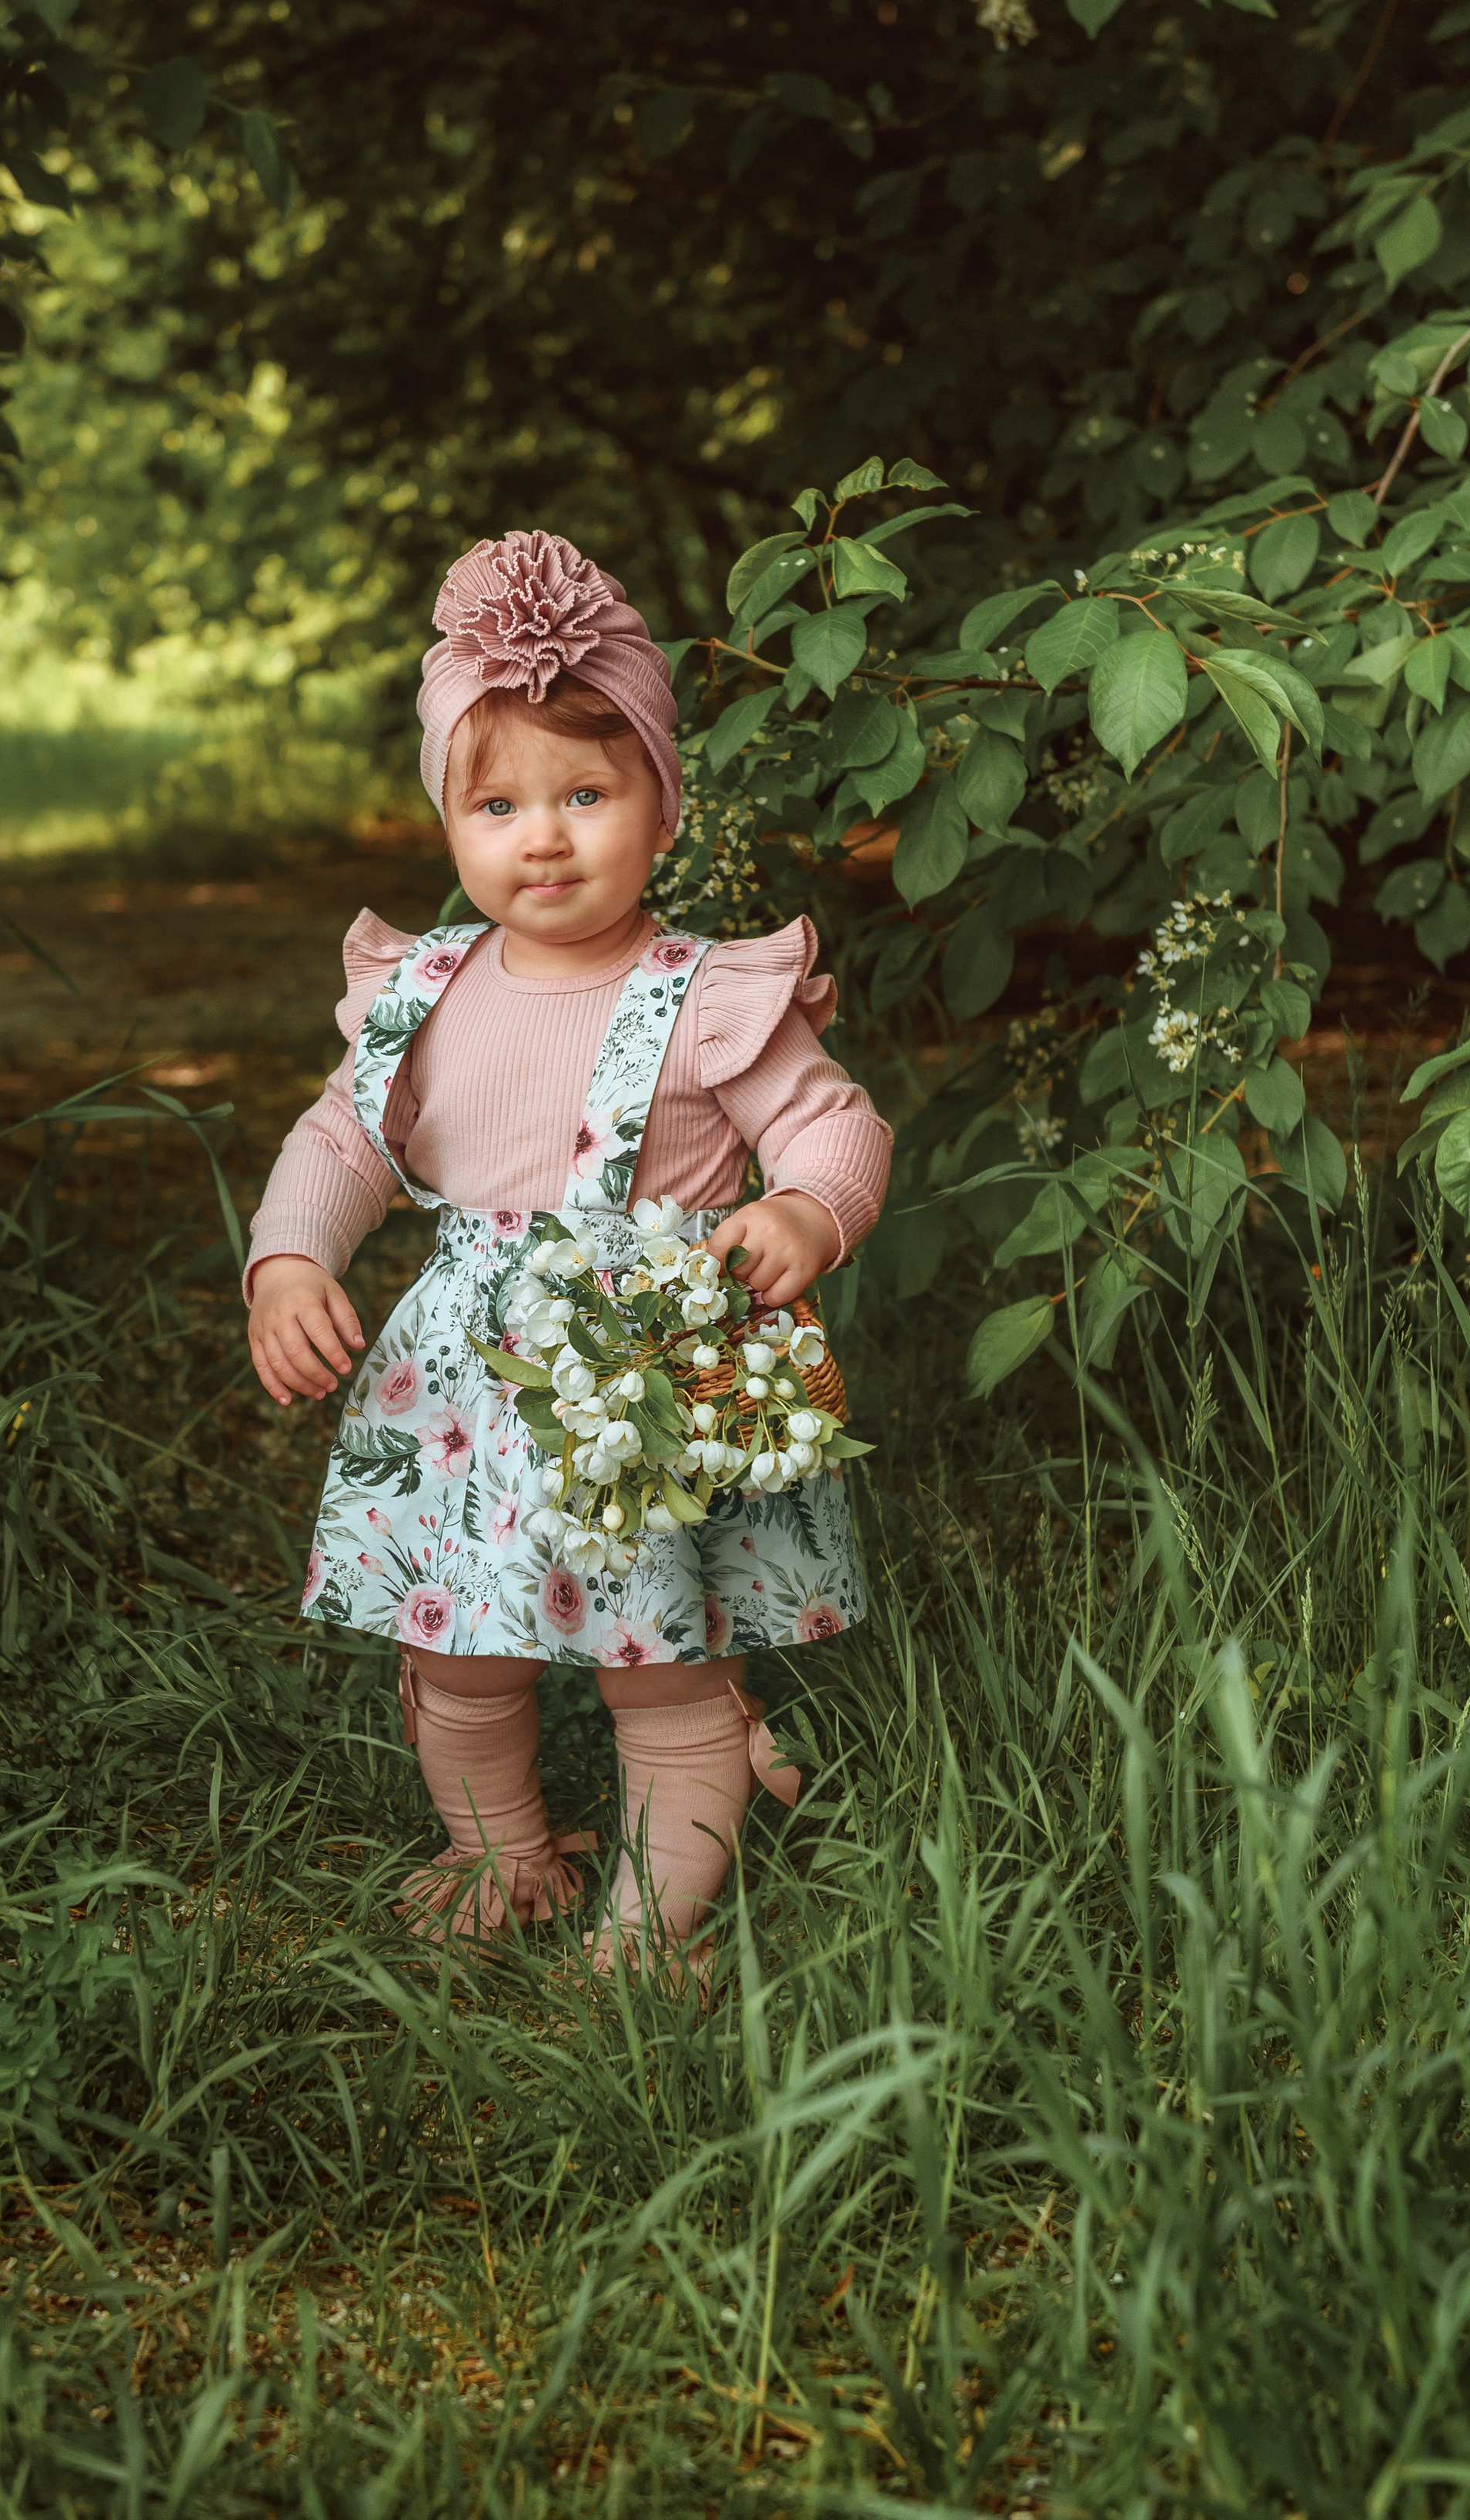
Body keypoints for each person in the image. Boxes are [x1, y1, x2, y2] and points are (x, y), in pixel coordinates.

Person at [245, 528, 892, 1969]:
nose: (543, 835)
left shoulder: (712, 994)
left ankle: (657, 1912)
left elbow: (837, 1123)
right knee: (454, 1644)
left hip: (645, 1384)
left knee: (660, 1662)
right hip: (472, 1391)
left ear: (662, 808)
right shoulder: (419, 994)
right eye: (498, 804)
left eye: (587, 793)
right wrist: (293, 1258)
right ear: (451, 823)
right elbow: (340, 1144)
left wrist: (805, 1208)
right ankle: (500, 1854)